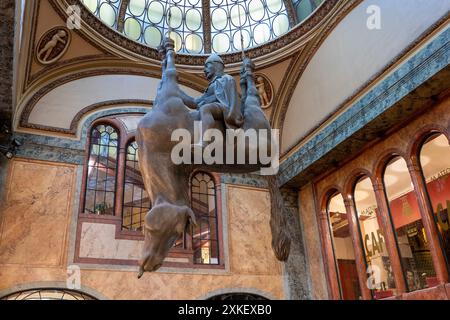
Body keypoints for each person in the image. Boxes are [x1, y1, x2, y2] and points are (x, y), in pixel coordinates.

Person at [181, 53, 244, 148]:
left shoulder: (227, 78)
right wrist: (177, 91)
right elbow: (194, 102)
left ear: (216, 65)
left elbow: (226, 99)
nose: (204, 70)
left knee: (205, 109)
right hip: (217, 108)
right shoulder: (212, 85)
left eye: (207, 66)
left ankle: (204, 142)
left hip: (226, 109)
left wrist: (207, 101)